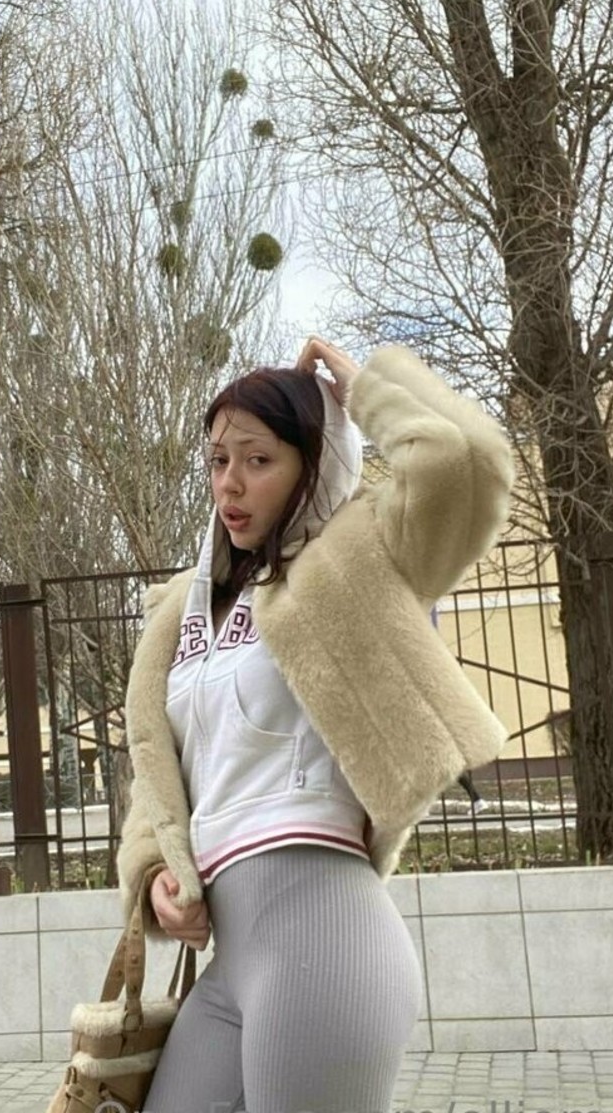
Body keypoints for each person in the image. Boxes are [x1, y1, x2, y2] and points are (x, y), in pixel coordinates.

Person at [116, 338, 513, 1113]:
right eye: (217, 460)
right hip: (230, 962)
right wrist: (157, 876)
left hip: (325, 938)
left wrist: (362, 388)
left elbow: (465, 463)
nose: (229, 482)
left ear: (313, 462)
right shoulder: (184, 610)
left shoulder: (355, 557)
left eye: (258, 459)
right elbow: (159, 773)